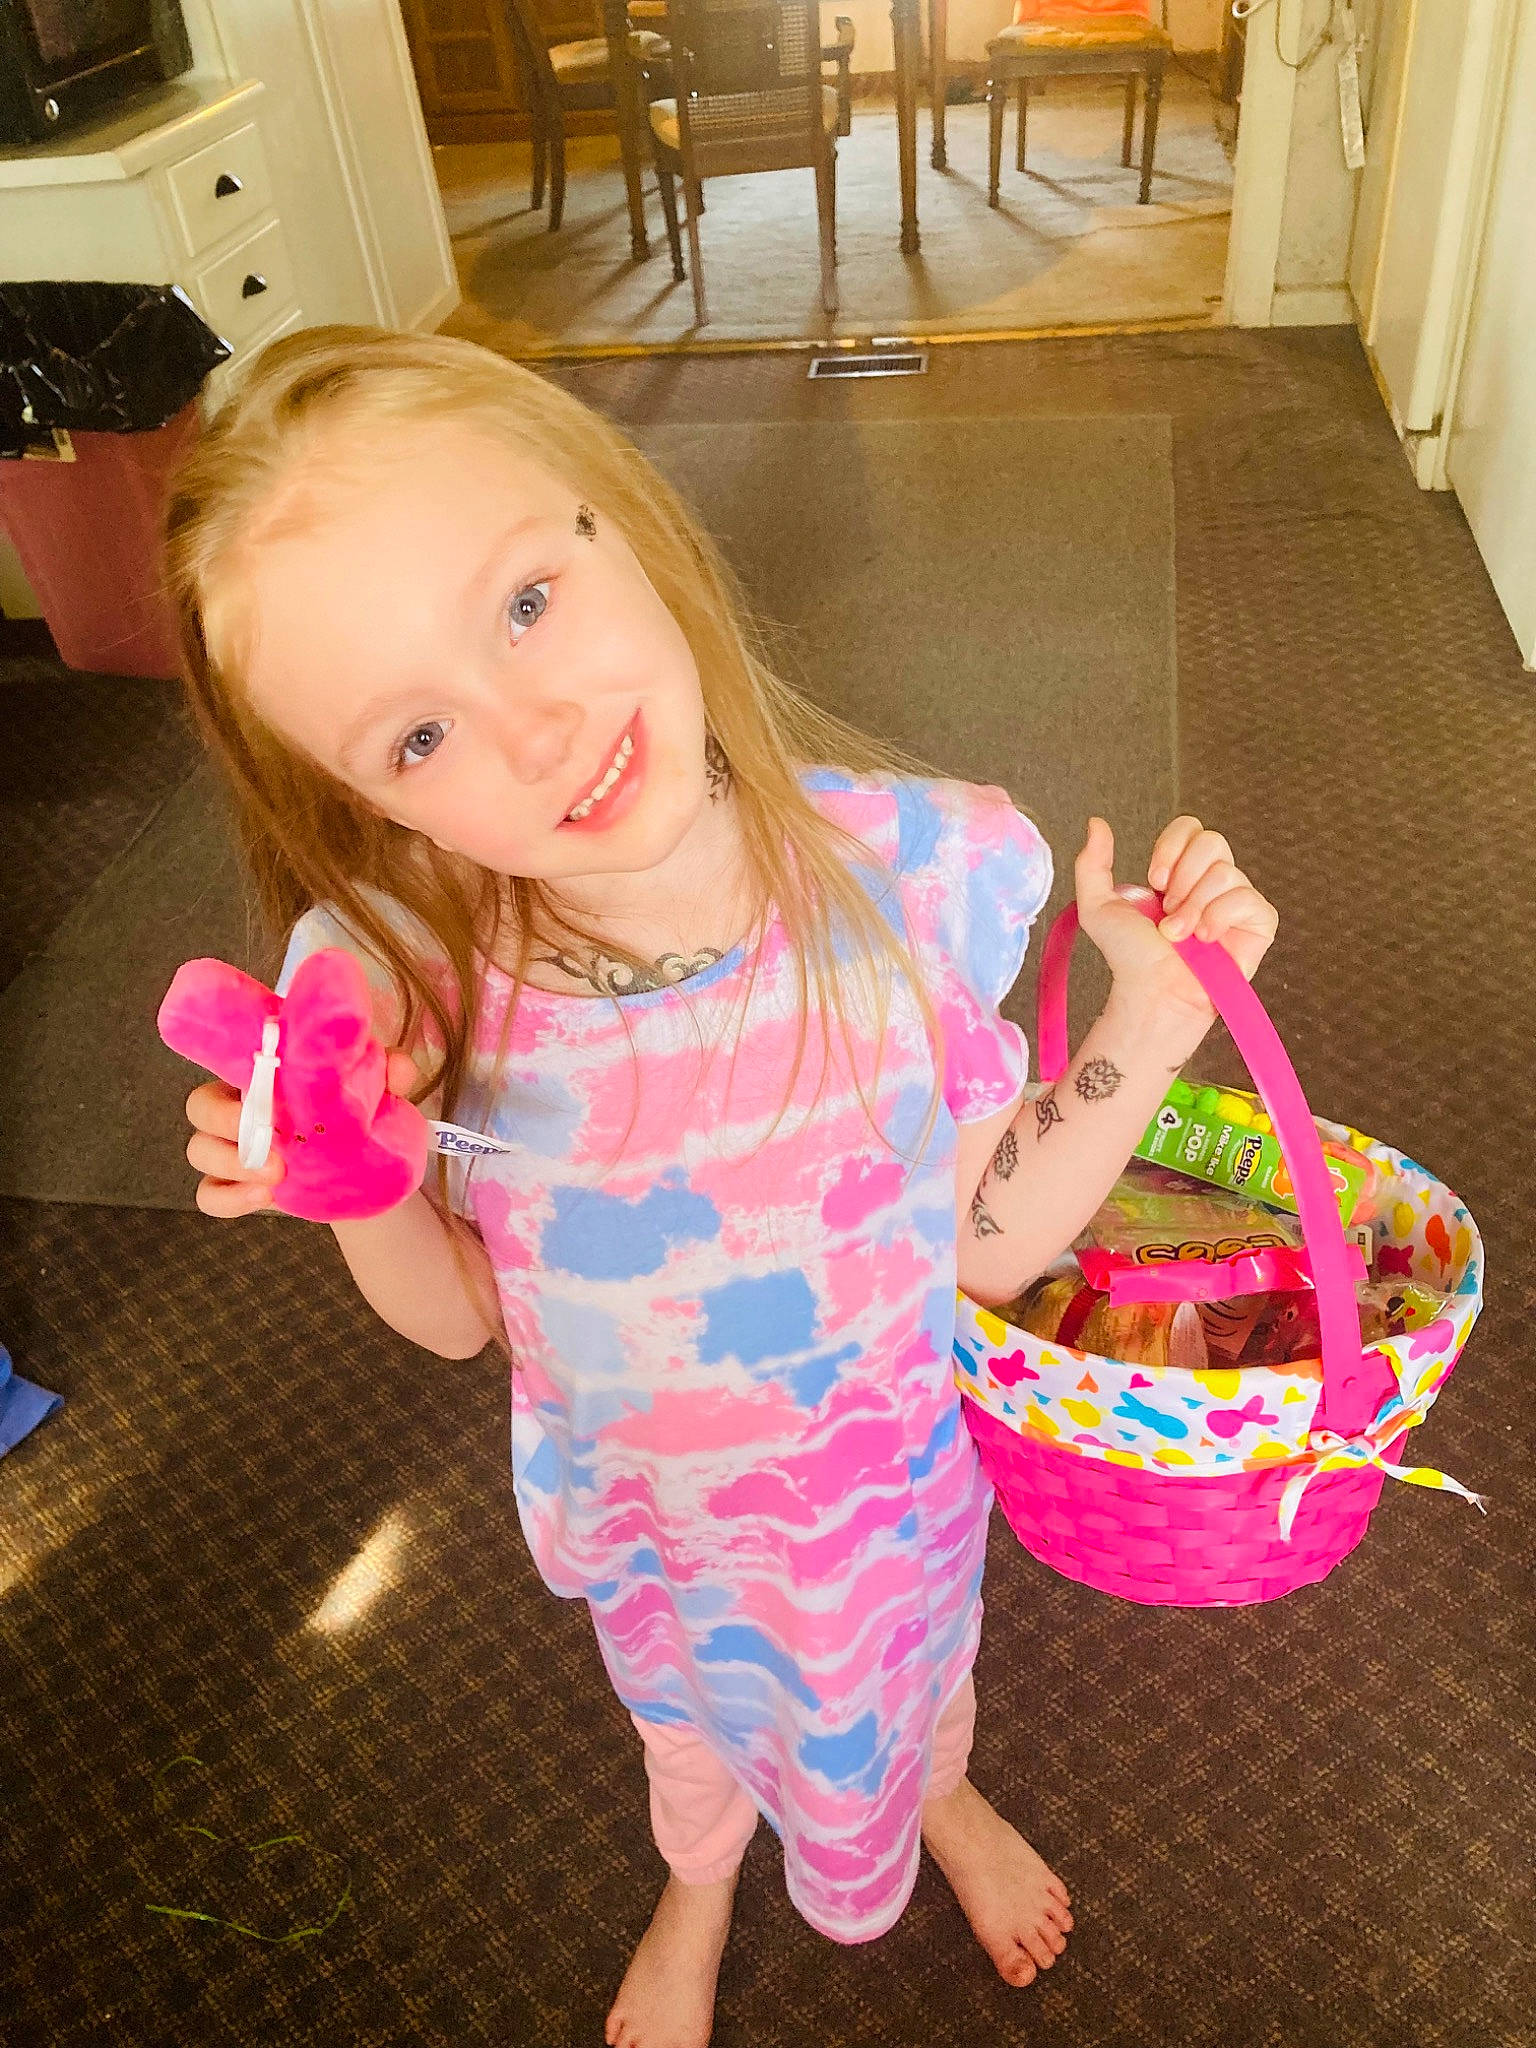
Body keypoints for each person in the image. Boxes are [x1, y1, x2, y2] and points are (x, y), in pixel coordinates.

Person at [171, 325, 1278, 2048]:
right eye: (420, 736)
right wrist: (364, 1183)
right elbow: (461, 1321)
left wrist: (1156, 1016)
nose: (536, 731)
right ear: (362, 804)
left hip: (890, 1507)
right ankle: (697, 1879)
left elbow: (982, 1250)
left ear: (620, 514)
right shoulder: (416, 988)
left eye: (526, 603)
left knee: (922, 1685)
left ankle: (939, 1798)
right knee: (684, 1732)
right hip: (660, 1539)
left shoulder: (914, 884)